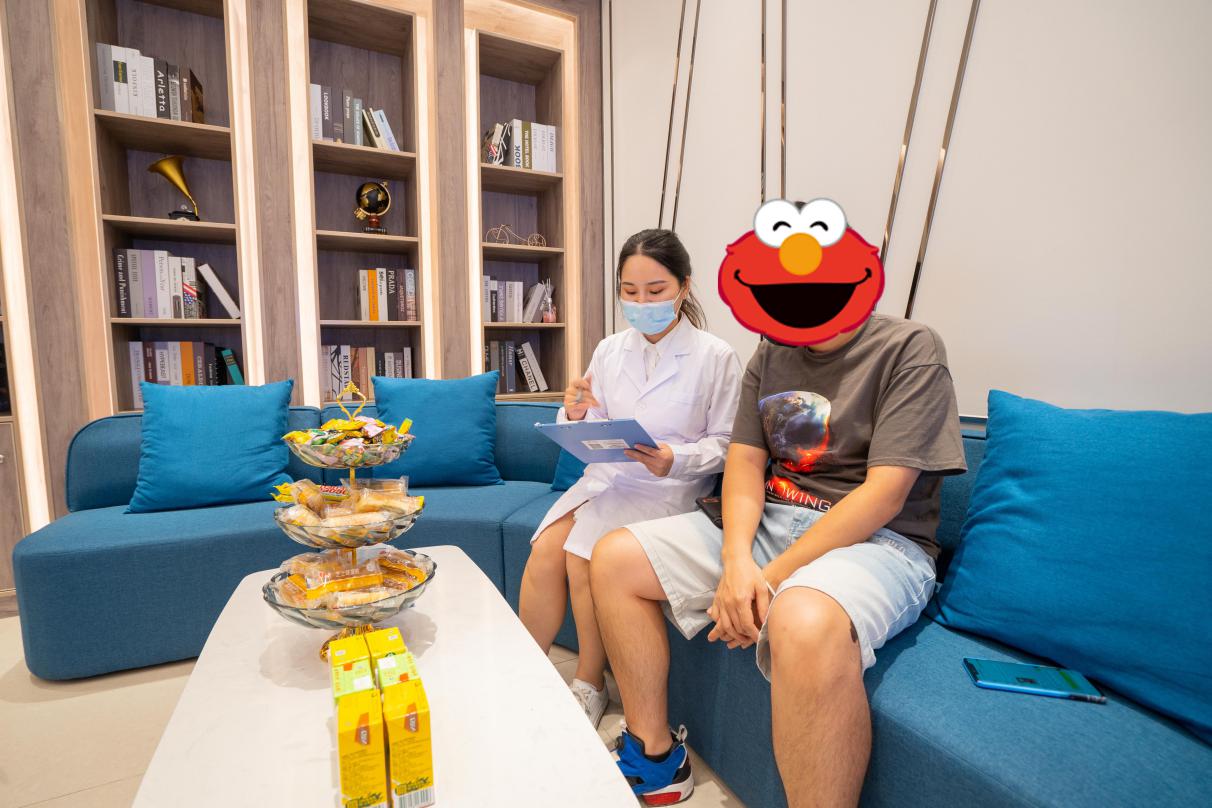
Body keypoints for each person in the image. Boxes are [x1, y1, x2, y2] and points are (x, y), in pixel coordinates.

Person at [590, 311, 967, 805]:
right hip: (773, 520)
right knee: (615, 558)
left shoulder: (910, 346)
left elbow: (885, 495)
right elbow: (745, 463)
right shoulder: (771, 351)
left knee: (802, 619)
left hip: (880, 540)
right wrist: (737, 563)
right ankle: (655, 759)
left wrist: (766, 580)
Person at [519, 228, 742, 728]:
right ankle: (525, 671)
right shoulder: (609, 349)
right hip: (608, 479)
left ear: (684, 287)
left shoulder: (716, 357)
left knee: (581, 556)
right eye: (630, 291)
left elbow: (729, 444)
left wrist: (673, 459)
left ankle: (590, 682)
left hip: (669, 489)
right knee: (545, 550)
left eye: (655, 291)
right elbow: (592, 420)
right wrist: (576, 414)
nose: (642, 303)